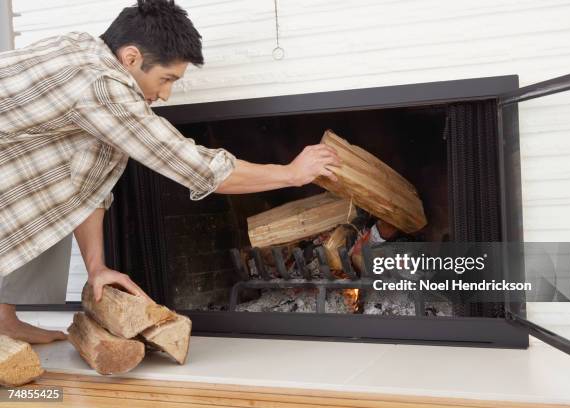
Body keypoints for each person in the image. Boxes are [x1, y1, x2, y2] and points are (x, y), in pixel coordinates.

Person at [0, 0, 341, 344]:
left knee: (48, 187)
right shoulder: (102, 86)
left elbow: (87, 180)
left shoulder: (85, 48)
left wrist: (96, 268)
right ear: (131, 58)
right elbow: (193, 166)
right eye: (166, 79)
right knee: (41, 192)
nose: (165, 94)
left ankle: (3, 320)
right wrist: (291, 174)